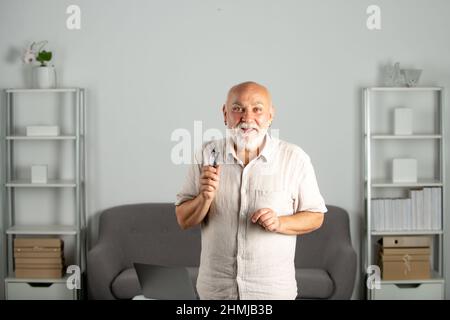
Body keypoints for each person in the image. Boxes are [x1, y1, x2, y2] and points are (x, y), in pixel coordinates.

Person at [175, 81, 327, 300]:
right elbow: (183, 219)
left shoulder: (294, 158)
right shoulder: (207, 154)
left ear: (270, 115)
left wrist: (280, 223)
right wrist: (204, 198)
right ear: (225, 114)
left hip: (272, 293)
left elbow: (315, 216)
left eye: (257, 109)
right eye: (237, 109)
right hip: (216, 292)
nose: (247, 118)